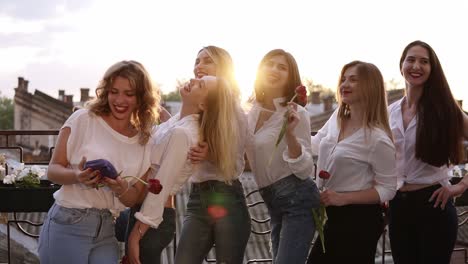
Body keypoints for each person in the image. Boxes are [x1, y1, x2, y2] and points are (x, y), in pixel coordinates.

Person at [38, 60, 160, 264]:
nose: (120, 100)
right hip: (68, 221)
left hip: (106, 227)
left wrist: (120, 188)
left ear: (141, 98)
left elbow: (132, 199)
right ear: (106, 92)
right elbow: (53, 170)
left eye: (129, 94)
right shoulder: (83, 120)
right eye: (114, 91)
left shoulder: (145, 140)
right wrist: (78, 176)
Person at [125, 76, 238, 264]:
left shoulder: (184, 133)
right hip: (140, 209)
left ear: (203, 105)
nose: (193, 80)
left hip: (152, 219)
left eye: (200, 85)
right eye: (198, 79)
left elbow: (160, 186)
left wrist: (136, 235)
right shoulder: (176, 122)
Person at [307, 61, 397, 263]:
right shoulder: (336, 119)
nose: (344, 84)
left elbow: (389, 188)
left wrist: (344, 198)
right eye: (343, 79)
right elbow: (313, 145)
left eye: (353, 79)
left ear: (370, 86)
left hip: (359, 221)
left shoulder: (377, 139)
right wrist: (290, 129)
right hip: (331, 217)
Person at [388, 40, 468, 264]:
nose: (416, 66)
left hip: (434, 204)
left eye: (424, 62)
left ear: (432, 70)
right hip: (398, 206)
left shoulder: (446, 109)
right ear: (401, 65)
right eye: (411, 60)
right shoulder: (389, 112)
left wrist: (461, 185)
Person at [173, 46, 251, 264]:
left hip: (226, 194)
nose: (199, 66)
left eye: (207, 61)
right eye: (197, 61)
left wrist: (211, 153)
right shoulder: (195, 106)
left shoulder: (233, 109)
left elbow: (234, 158)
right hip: (197, 197)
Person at [245, 49, 319, 264]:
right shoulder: (251, 112)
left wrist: (290, 134)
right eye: (270, 63)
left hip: (298, 200)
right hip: (271, 200)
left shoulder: (298, 114)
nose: (274, 69)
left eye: (282, 67)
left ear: (291, 77)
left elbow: (305, 169)